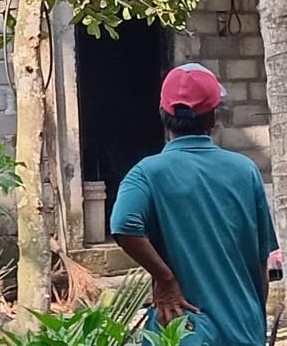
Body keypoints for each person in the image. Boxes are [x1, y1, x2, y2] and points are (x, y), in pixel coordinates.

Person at [110, 62, 278, 345]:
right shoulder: (244, 170)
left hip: (182, 329)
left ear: (163, 114)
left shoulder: (148, 173)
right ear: (213, 118)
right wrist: (255, 320)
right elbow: (261, 260)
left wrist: (165, 279)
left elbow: (123, 224)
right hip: (242, 328)